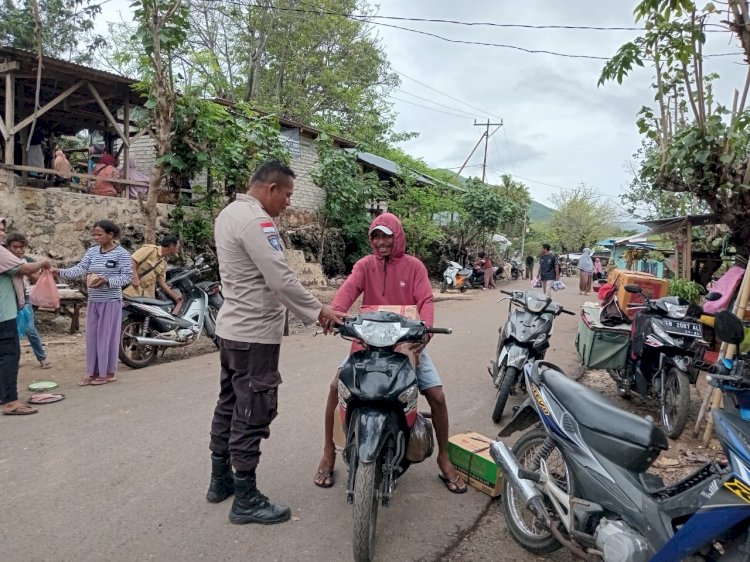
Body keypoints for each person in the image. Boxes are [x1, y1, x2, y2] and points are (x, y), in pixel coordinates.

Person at [207, 159, 345, 526]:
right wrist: (320, 312)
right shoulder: (257, 221)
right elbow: (280, 280)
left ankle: (220, 480)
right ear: (270, 188)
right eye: (287, 194)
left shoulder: (228, 215)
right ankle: (246, 499)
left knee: (229, 405)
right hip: (254, 335)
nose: (287, 203)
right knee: (252, 412)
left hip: (232, 330)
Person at [313, 212, 467, 495]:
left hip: (406, 342)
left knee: (437, 396)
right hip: (367, 341)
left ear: (397, 237)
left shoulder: (414, 267)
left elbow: (426, 300)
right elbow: (346, 292)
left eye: (386, 236)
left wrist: (427, 330)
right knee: (336, 387)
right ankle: (328, 452)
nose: (381, 242)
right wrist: (335, 312)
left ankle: (443, 458)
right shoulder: (364, 266)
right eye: (376, 236)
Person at [53, 220, 132, 386]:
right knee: (92, 338)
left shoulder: (122, 254)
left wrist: (107, 281)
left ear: (110, 235)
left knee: (106, 338)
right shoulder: (92, 252)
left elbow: (126, 277)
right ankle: (92, 372)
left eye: (100, 234)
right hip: (94, 300)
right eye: (94, 234)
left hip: (110, 301)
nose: (96, 237)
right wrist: (59, 271)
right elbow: (80, 269)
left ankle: (108, 373)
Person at [0, 218, 52, 415]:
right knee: (9, 355)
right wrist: (44, 262)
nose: (1, 233)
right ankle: (11, 402)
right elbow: (25, 269)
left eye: (3, 229)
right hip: (3, 314)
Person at [5, 233, 51, 369]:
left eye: (21, 247)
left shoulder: (27, 260)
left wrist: (29, 270)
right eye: (14, 247)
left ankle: (42, 358)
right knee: (11, 331)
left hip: (24, 299)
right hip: (8, 301)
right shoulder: (5, 260)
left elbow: (37, 278)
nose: (18, 250)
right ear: (8, 248)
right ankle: (13, 360)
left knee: (30, 329)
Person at [123, 235, 182, 307]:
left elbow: (162, 283)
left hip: (147, 297)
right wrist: (134, 277)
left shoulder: (164, 263)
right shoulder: (151, 249)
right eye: (178, 246)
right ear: (172, 245)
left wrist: (175, 296)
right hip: (132, 290)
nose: (178, 248)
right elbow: (132, 259)